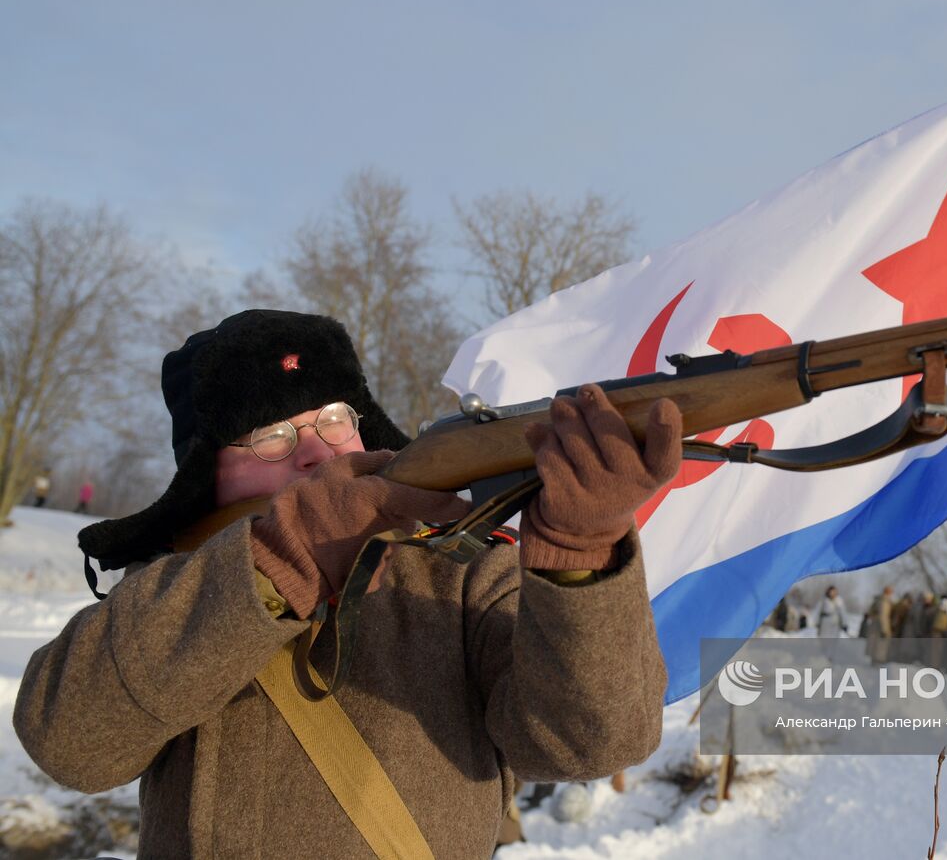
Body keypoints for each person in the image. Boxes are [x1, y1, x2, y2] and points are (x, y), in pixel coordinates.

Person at [13, 309, 681, 857]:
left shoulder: (465, 571)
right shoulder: (172, 594)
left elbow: (594, 740)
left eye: (335, 416)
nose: (316, 447)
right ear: (209, 476)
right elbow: (69, 744)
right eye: (270, 434)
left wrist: (578, 552)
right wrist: (278, 559)